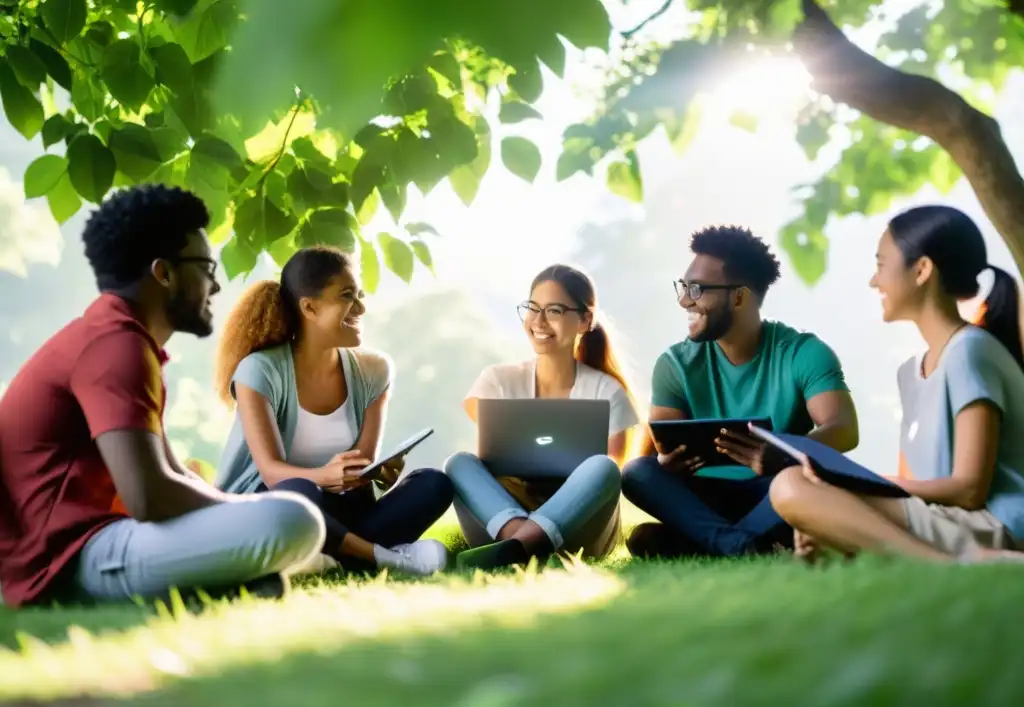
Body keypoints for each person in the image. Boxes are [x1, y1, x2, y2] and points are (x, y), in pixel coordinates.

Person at [0, 185, 325, 608]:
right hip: (65, 562)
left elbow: (170, 470)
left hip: (89, 548)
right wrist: (233, 511)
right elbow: (148, 495)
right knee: (293, 519)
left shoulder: (117, 339)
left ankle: (230, 580)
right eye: (207, 267)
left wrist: (231, 510)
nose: (216, 286)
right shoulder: (114, 347)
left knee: (283, 523)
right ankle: (242, 572)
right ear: (164, 273)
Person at [770, 205, 1024, 564]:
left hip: (997, 524)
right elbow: (915, 488)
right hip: (948, 517)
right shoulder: (910, 373)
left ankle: (951, 563)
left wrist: (856, 481)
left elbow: (969, 489)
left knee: (789, 485)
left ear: (921, 270)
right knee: (801, 487)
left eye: (880, 266)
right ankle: (938, 556)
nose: (875, 281)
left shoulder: (970, 352)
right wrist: (833, 509)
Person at [213, 246, 453, 577]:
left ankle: (337, 559)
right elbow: (270, 473)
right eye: (347, 296)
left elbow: (360, 468)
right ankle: (386, 558)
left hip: (339, 515)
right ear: (309, 307)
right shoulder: (259, 370)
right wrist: (325, 476)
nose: (361, 307)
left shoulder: (374, 370)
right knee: (298, 492)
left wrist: (377, 473)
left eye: (361, 295)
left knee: (434, 483)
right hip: (269, 508)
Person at [622, 225, 859, 559]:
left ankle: (701, 541)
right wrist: (667, 461)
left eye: (697, 289)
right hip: (705, 494)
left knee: (813, 478)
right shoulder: (674, 364)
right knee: (637, 472)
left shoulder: (803, 352)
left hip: (777, 491)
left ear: (738, 296)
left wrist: (784, 453)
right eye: (684, 286)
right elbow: (663, 446)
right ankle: (740, 544)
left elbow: (845, 429)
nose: (683, 299)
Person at [446, 264, 640, 570]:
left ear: (585, 320)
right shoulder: (498, 380)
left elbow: (612, 469)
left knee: (602, 467)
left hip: (577, 526)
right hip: (505, 513)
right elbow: (490, 454)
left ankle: (518, 546)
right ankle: (521, 543)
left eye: (555, 310)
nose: (538, 321)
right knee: (459, 462)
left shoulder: (607, 390)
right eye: (532, 308)